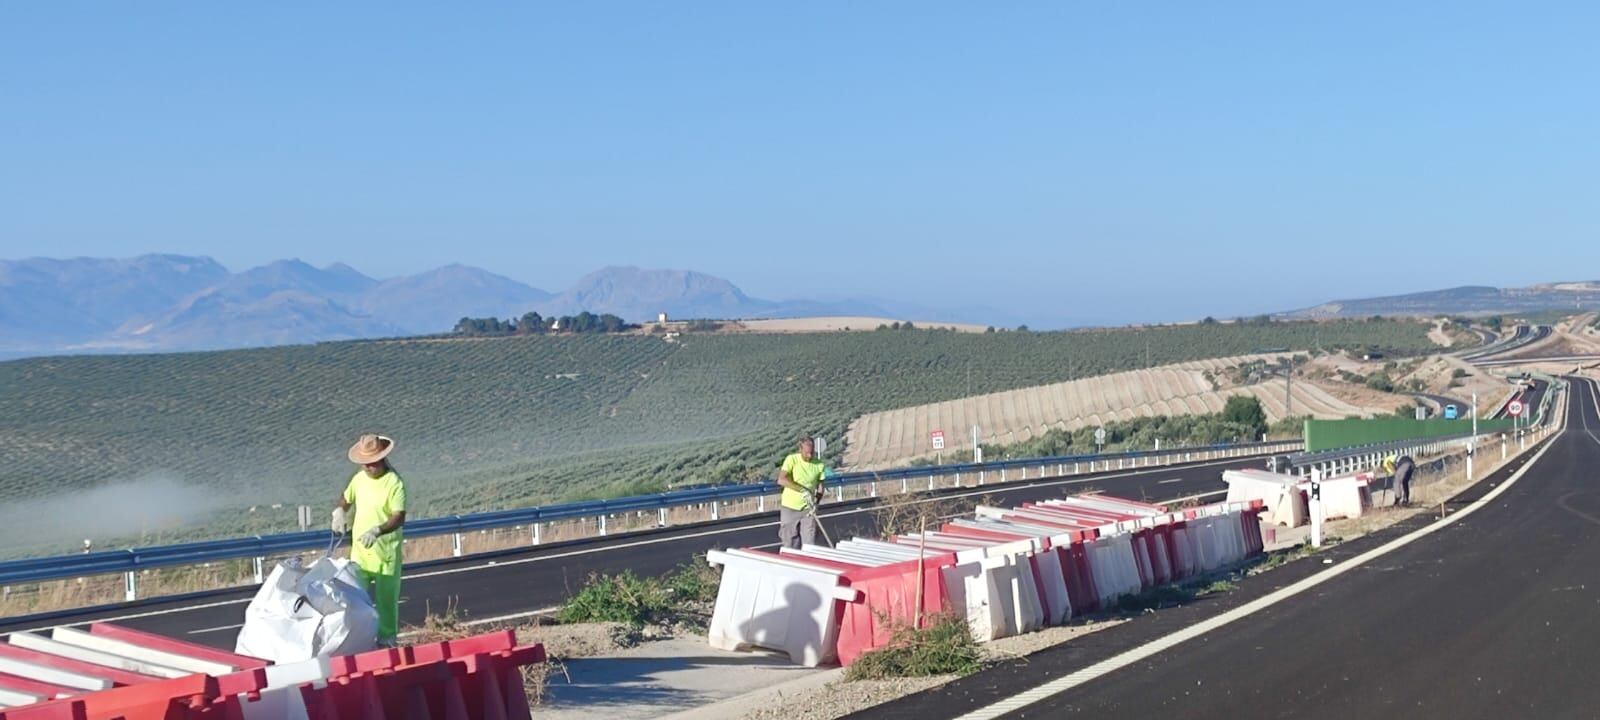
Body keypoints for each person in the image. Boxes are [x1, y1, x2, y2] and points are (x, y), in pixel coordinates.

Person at [331, 433, 407, 646]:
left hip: (386, 556)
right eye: (364, 463)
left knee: (386, 604)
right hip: (360, 555)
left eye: (371, 463)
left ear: (381, 459)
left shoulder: (394, 483)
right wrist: (340, 510)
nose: (367, 467)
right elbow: (347, 498)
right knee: (354, 601)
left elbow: (398, 516)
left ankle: (387, 642)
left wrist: (377, 531)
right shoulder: (358, 480)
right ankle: (358, 642)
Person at [776, 437, 828, 549]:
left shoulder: (819, 465)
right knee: (790, 543)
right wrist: (802, 490)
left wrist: (816, 503)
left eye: (811, 453)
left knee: (810, 543)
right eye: (806, 453)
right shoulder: (792, 460)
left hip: (808, 509)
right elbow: (781, 479)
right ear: (800, 449)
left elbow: (820, 486)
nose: (809, 456)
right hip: (790, 507)